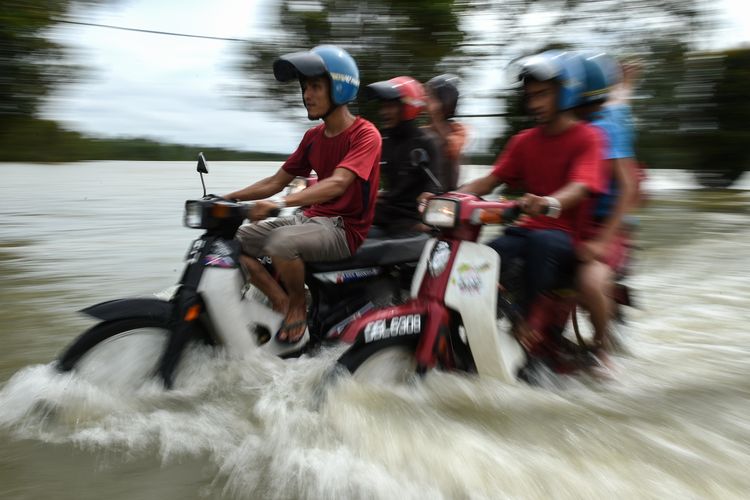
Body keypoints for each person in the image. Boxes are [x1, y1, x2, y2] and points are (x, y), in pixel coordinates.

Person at [223, 45, 381, 344]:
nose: (307, 94)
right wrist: (229, 198)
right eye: (305, 87)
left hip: (344, 229)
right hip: (310, 219)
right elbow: (276, 181)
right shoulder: (312, 137)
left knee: (280, 243)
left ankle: (297, 304)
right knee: (232, 242)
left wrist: (279, 204)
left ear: (340, 87)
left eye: (316, 86)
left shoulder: (365, 134)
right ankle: (279, 301)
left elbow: (338, 183)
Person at [457, 50, 607, 347]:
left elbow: (580, 186)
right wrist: (445, 196)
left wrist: (548, 202)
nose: (535, 103)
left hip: (564, 236)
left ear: (566, 93)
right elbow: (489, 181)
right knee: (485, 255)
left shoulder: (589, 137)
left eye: (543, 95)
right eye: (531, 96)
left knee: (541, 243)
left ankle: (526, 321)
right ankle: (480, 323)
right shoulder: (523, 141)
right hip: (526, 230)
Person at [574, 52, 640, 353]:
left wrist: (603, 239)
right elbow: (620, 99)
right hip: (574, 222)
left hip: (607, 226)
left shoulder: (606, 125)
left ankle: (602, 350)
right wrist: (627, 82)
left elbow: (627, 186)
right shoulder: (569, 126)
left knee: (589, 282)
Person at [366, 76, 441, 236]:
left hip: (409, 221)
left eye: (390, 106)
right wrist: (370, 193)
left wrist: (426, 199)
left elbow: (432, 187)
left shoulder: (425, 143)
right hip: (382, 214)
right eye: (383, 106)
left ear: (408, 107)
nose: (383, 112)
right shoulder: (382, 139)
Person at [424, 74, 468, 191]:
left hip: (446, 197)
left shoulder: (458, 130)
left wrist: (436, 116)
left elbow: (451, 148)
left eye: (430, 97)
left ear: (444, 101)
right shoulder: (423, 131)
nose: (425, 100)